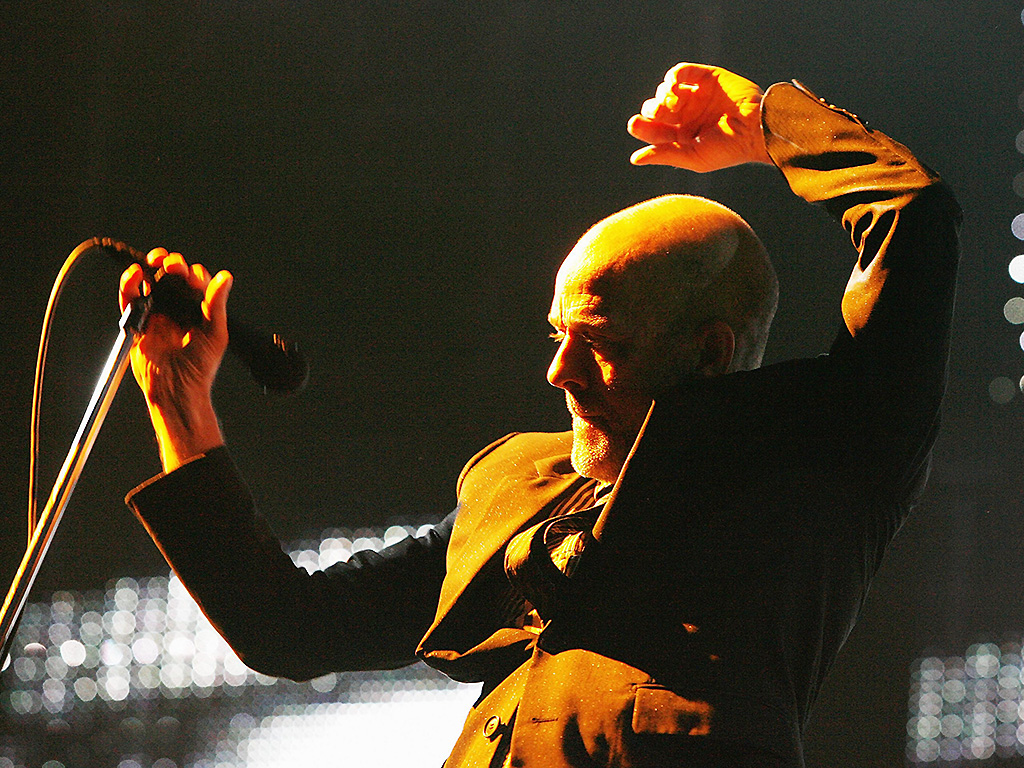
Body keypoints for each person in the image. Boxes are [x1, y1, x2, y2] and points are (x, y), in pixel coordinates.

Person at [120, 63, 960, 767]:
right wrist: (177, 402)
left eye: (596, 340)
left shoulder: (814, 461)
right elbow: (289, 629)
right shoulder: (518, 481)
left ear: (710, 351)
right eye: (557, 333)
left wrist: (765, 125)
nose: (558, 370)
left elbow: (912, 224)